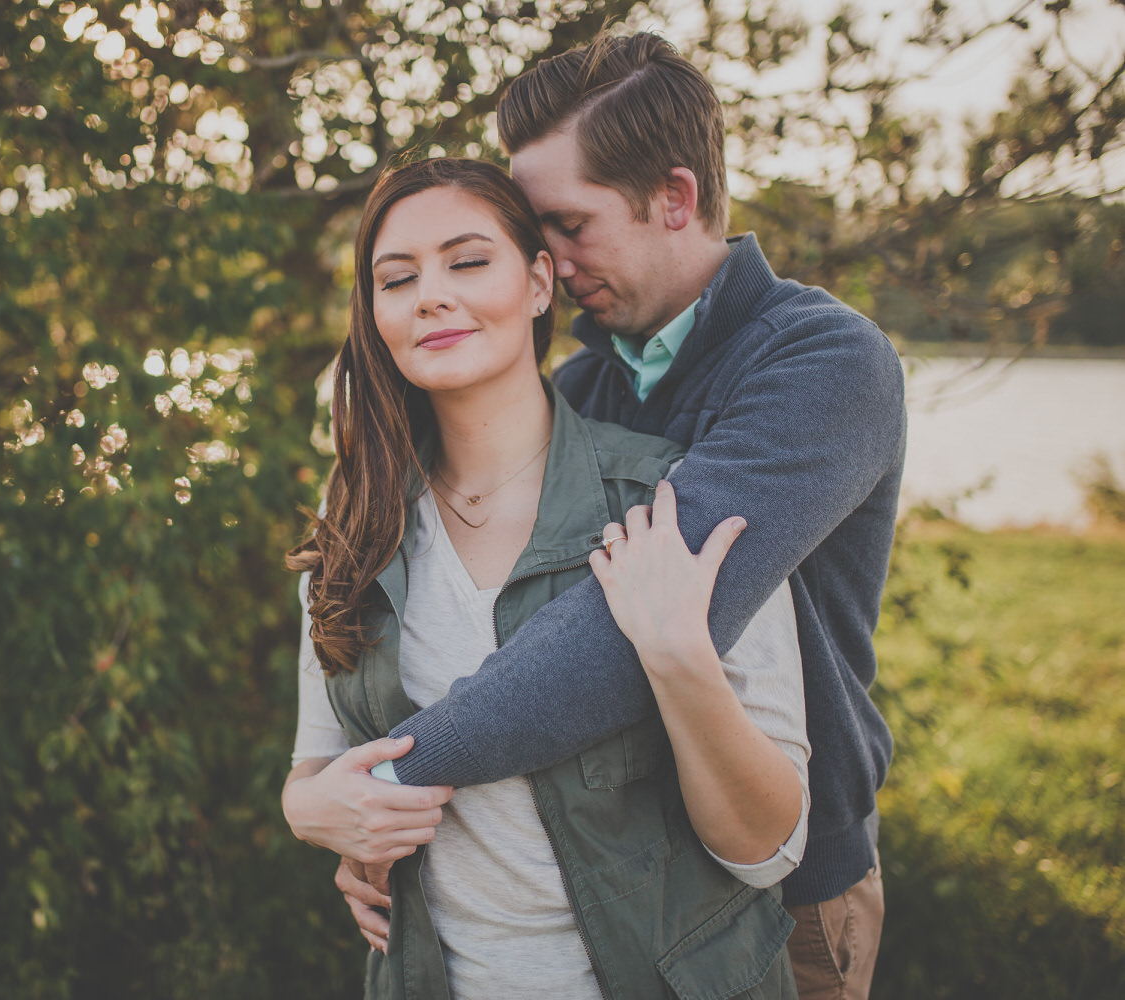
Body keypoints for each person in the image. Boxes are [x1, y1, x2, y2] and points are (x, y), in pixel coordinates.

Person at [333, 30, 906, 1000]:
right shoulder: (587, 384)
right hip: (625, 876)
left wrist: (382, 785)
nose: (541, 256)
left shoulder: (823, 364)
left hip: (787, 885)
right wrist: (331, 799)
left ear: (674, 199)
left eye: (566, 222)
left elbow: (612, 639)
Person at [282, 156, 810, 1000]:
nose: (430, 296)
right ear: (374, 312)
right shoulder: (353, 537)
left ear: (538, 284)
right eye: (397, 278)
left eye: (466, 261)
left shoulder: (667, 507)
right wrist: (306, 813)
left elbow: (768, 846)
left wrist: (679, 660)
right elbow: (316, 768)